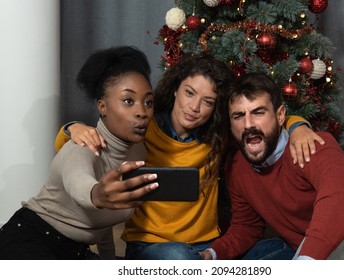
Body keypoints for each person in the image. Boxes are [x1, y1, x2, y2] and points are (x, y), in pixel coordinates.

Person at [55, 52, 325, 260]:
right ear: (175, 89)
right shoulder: (142, 129)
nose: (195, 107)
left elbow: (262, 123)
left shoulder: (218, 137)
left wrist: (298, 126)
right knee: (179, 258)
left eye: (207, 102)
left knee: (284, 248)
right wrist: (72, 128)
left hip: (207, 249)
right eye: (189, 93)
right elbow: (83, 143)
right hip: (152, 248)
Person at [199, 72, 344, 260]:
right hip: (313, 252)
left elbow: (342, 196)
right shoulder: (237, 167)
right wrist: (214, 253)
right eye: (238, 116)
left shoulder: (312, 145)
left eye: (258, 112)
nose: (248, 124)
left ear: (280, 115)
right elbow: (246, 227)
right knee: (267, 252)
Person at [0, 46, 159, 260]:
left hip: (76, 251)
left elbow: (100, 220)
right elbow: (78, 182)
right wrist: (96, 194)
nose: (142, 112)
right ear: (102, 107)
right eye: (128, 101)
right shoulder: (82, 146)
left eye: (148, 102)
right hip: (30, 240)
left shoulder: (139, 152)